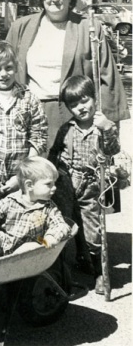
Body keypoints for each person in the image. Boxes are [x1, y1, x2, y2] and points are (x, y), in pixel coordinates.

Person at [6, 0, 129, 145]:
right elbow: (5, 69)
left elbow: (107, 78)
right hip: (29, 114)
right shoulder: (20, 27)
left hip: (74, 114)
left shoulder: (89, 28)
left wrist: (108, 124)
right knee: (34, 170)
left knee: (72, 171)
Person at [49, 75, 120, 294]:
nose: (81, 107)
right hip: (66, 185)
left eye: (84, 100)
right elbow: (54, 154)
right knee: (63, 226)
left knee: (92, 234)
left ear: (94, 98)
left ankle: (100, 271)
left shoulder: (102, 126)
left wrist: (107, 128)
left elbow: (113, 151)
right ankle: (62, 273)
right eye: (73, 104)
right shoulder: (66, 129)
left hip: (91, 186)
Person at [0, 41, 48, 203]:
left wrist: (21, 177)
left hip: (20, 180)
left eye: (8, 68)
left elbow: (38, 138)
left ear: (17, 68)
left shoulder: (28, 98)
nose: (3, 74)